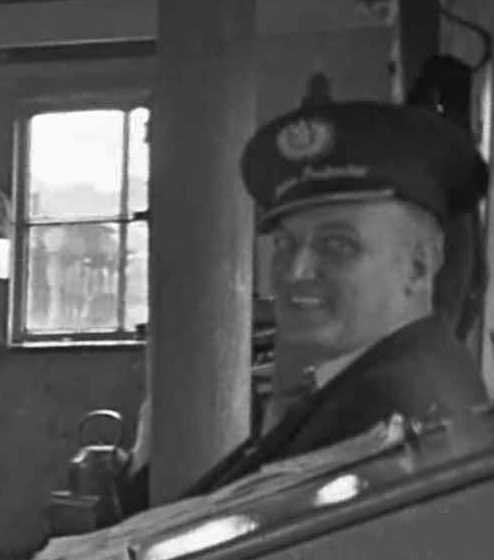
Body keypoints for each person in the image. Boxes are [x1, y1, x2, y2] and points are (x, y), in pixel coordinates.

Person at [173, 77, 490, 497]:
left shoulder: (387, 415)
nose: (295, 270)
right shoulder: (383, 379)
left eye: (337, 245)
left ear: (419, 267)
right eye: (286, 243)